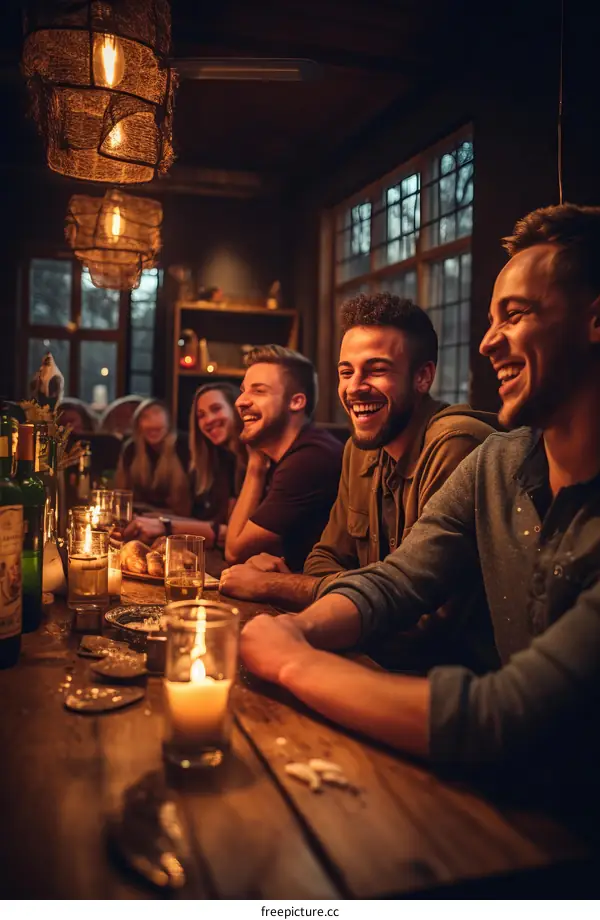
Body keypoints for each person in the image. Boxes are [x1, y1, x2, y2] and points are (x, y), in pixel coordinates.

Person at [239, 204, 600, 805]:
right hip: (500, 790)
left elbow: (504, 715)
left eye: (515, 314)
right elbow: (396, 582)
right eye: (490, 319)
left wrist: (292, 662)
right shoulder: (501, 464)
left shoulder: (464, 446)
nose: (487, 342)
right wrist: (296, 628)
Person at [221, 295, 498, 673]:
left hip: (444, 688)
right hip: (369, 655)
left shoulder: (456, 446)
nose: (355, 387)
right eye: (346, 371)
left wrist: (282, 587)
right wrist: (339, 592)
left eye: (376, 370)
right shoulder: (360, 448)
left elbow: (425, 618)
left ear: (423, 377)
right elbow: (324, 555)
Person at [224, 345, 343, 571]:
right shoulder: (288, 453)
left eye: (258, 391)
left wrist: (255, 468)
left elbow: (235, 551)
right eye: (243, 390)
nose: (240, 401)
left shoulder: (309, 459)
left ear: (296, 402)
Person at [125, 383, 245, 547]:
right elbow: (209, 522)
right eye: (201, 415)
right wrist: (157, 520)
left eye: (216, 409)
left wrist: (165, 526)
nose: (208, 420)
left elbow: (229, 534)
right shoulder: (221, 459)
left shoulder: (254, 462)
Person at [115, 398, 191, 516]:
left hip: (180, 520)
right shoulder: (131, 449)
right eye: (146, 418)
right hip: (140, 517)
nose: (153, 429)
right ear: (138, 425)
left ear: (169, 425)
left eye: (158, 429)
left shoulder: (184, 446)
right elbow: (122, 494)